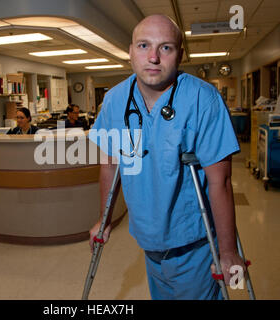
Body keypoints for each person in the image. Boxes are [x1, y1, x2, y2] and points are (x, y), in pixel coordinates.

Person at [88, 14, 247, 300]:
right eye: (143, 45)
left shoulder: (203, 99)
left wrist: (227, 252)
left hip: (193, 242)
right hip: (149, 240)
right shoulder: (114, 100)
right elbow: (110, 166)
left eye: (165, 47)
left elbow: (219, 182)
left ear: (180, 55)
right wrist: (104, 220)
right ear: (130, 52)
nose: (153, 57)